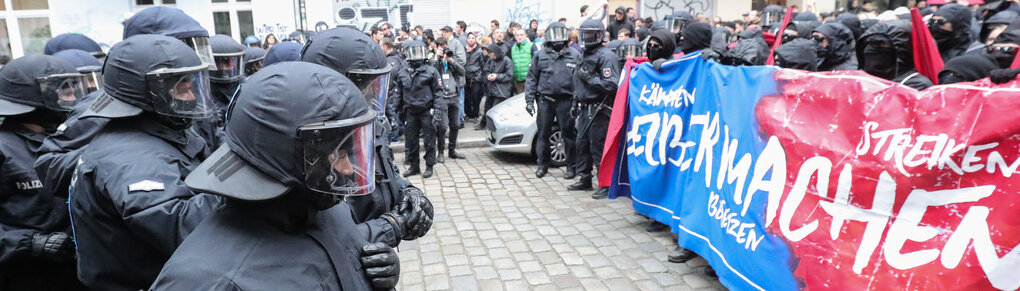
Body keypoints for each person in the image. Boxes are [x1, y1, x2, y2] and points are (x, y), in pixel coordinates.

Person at [149, 61, 407, 291]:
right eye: (335, 156)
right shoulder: (207, 280)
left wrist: (372, 276)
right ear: (286, 154)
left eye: (349, 154)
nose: (349, 170)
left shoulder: (324, 208)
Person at [68, 34, 225, 291]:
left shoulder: (162, 130)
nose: (191, 94)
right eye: (180, 86)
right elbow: (180, 225)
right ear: (147, 93)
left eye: (191, 83)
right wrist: (242, 189)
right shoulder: (126, 156)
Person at [34, 6, 216, 220]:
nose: (187, 57)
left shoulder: (186, 95)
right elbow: (50, 165)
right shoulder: (103, 107)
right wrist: (115, 155)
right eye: (182, 46)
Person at [299, 28, 435, 234]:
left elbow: (382, 170)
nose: (373, 92)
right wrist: (389, 228)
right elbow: (320, 233)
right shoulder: (307, 138)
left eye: (376, 83)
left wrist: (407, 192)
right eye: (364, 84)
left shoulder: (368, 120)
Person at [0, 55, 89, 291]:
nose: (73, 100)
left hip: (84, 274)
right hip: (28, 276)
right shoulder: (3, 148)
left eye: (74, 91)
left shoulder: (73, 139)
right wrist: (31, 243)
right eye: (64, 93)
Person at [570, 19, 619, 200]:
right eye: (585, 34)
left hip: (600, 108)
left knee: (597, 147)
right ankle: (584, 178)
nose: (587, 37)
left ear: (599, 35)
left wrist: (591, 78)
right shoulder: (583, 54)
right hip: (584, 107)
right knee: (581, 145)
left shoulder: (606, 56)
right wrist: (575, 102)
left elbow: (611, 85)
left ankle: (606, 183)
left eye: (591, 34)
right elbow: (577, 81)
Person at [526, 22, 580, 179]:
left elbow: (578, 80)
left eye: (560, 34)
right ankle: (542, 165)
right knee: (543, 134)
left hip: (566, 100)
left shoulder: (574, 55)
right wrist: (529, 100)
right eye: (554, 34)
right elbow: (532, 79)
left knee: (569, 135)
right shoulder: (540, 55)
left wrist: (576, 100)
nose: (557, 38)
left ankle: (572, 167)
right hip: (545, 101)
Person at [394, 40, 443, 178]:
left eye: (419, 52)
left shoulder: (431, 71)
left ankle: (429, 165)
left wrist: (438, 111)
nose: (416, 56)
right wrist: (393, 113)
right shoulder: (403, 72)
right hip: (410, 111)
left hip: (426, 111)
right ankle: (414, 166)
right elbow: (398, 93)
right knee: (411, 140)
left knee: (429, 140)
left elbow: (438, 92)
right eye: (413, 52)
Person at [197, 34, 246, 150]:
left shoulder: (244, 86)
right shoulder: (201, 90)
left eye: (228, 62)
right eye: (220, 62)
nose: (224, 68)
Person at [858, 20, 933, 91]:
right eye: (870, 43)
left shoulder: (917, 84)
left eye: (882, 44)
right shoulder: (860, 79)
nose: (873, 49)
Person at [430, 38, 468, 163]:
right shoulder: (434, 60)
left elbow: (462, 72)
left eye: (444, 47)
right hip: (442, 98)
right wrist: (437, 58)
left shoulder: (453, 59)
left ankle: (452, 151)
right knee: (442, 127)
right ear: (436, 48)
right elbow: (431, 72)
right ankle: (440, 152)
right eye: (440, 47)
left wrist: (451, 61)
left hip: (454, 96)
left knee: (455, 125)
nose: (443, 50)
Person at [474, 43, 513, 131]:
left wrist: (497, 76)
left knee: (496, 110)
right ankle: (485, 124)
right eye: (491, 55)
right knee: (487, 108)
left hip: (501, 90)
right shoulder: (491, 60)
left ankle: (495, 127)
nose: (492, 57)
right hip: (491, 89)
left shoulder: (507, 61)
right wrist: (488, 76)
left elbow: (509, 76)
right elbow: (486, 70)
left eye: (493, 55)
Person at [463, 32, 485, 122]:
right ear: (467, 39)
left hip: (475, 78)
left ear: (475, 40)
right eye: (469, 38)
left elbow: (483, 65)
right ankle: (469, 114)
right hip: (466, 78)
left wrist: (478, 77)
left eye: (473, 38)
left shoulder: (479, 51)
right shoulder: (464, 50)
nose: (471, 39)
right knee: (467, 98)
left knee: (476, 97)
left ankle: (476, 114)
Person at [511, 28, 536, 94]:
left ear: (525, 35)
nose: (519, 37)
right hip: (518, 80)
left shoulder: (531, 46)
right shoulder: (513, 48)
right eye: (517, 35)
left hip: (529, 79)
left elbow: (536, 61)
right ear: (515, 36)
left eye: (521, 35)